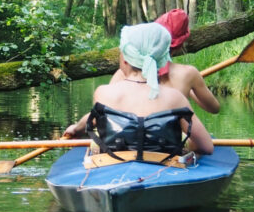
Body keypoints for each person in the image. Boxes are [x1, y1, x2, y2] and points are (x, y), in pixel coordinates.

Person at [63, 22, 214, 157]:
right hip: (162, 167)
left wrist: (77, 128)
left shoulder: (103, 93)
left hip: (112, 166)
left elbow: (94, 118)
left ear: (125, 58)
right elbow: (206, 146)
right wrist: (188, 148)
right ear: (162, 59)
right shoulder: (176, 98)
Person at [110, 9, 221, 114]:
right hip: (170, 133)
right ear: (179, 46)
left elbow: (105, 109)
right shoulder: (189, 74)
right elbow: (214, 108)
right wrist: (191, 89)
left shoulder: (123, 73)